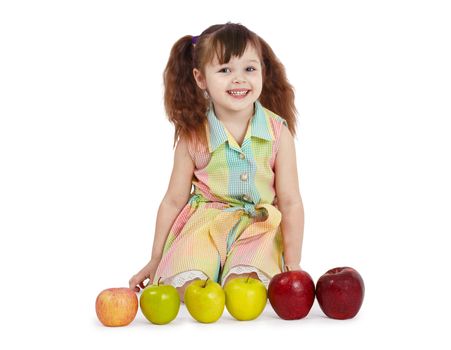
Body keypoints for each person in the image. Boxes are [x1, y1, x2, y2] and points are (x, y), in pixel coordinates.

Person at [129, 23, 304, 302]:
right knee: (186, 288)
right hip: (204, 227)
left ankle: (234, 271)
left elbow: (291, 201)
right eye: (225, 70)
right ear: (201, 78)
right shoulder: (193, 135)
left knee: (247, 288)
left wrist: (292, 265)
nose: (239, 79)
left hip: (256, 228)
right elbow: (173, 200)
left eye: (249, 69)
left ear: (262, 71)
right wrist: (155, 259)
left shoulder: (277, 133)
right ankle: (203, 272)